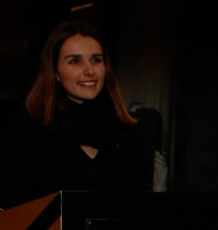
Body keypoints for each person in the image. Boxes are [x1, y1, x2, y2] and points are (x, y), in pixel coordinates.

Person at [0, 21, 155, 209]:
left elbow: (142, 214)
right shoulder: (25, 132)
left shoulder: (133, 135)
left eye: (96, 59)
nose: (89, 70)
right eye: (75, 61)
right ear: (55, 72)